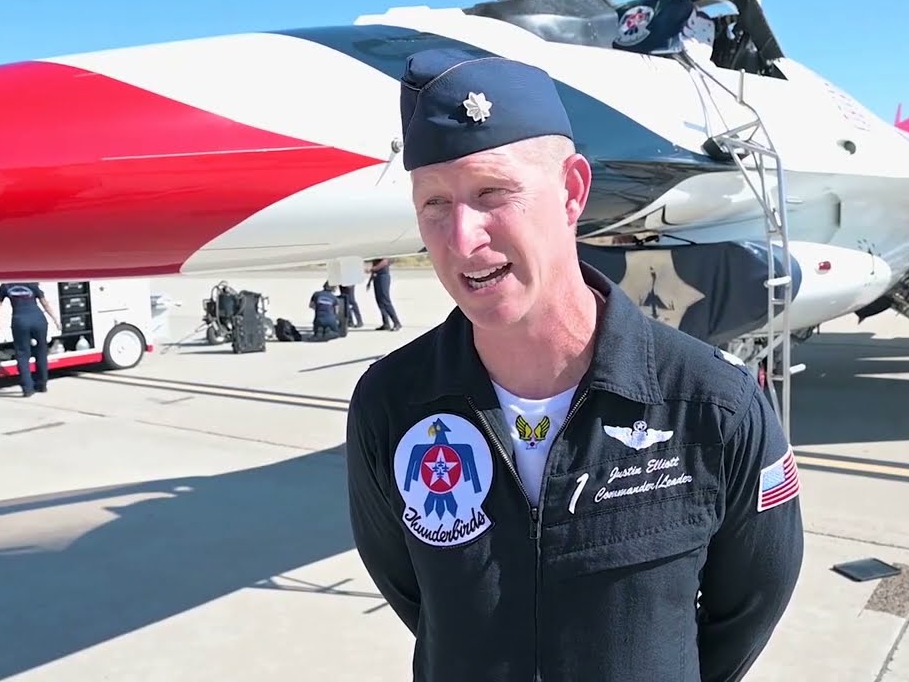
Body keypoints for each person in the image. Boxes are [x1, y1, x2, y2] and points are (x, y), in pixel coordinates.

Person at [345, 48, 804, 682]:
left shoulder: (711, 405)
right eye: (435, 205)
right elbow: (413, 593)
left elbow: (750, 602)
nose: (462, 239)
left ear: (572, 191)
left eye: (492, 193)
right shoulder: (393, 403)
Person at [0, 282, 60, 396]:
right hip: (38, 319)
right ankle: (42, 384)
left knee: (22, 354)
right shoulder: (31, 282)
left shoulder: (6, 285)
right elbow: (45, 303)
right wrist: (55, 319)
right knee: (41, 352)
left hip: (20, 321)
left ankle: (27, 388)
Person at [367, 257, 401, 331]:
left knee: (385, 301)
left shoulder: (383, 254)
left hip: (383, 276)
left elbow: (385, 261)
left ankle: (396, 322)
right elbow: (374, 266)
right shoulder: (375, 255)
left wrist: (373, 269)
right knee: (380, 302)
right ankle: (386, 323)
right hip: (376, 277)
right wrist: (370, 281)